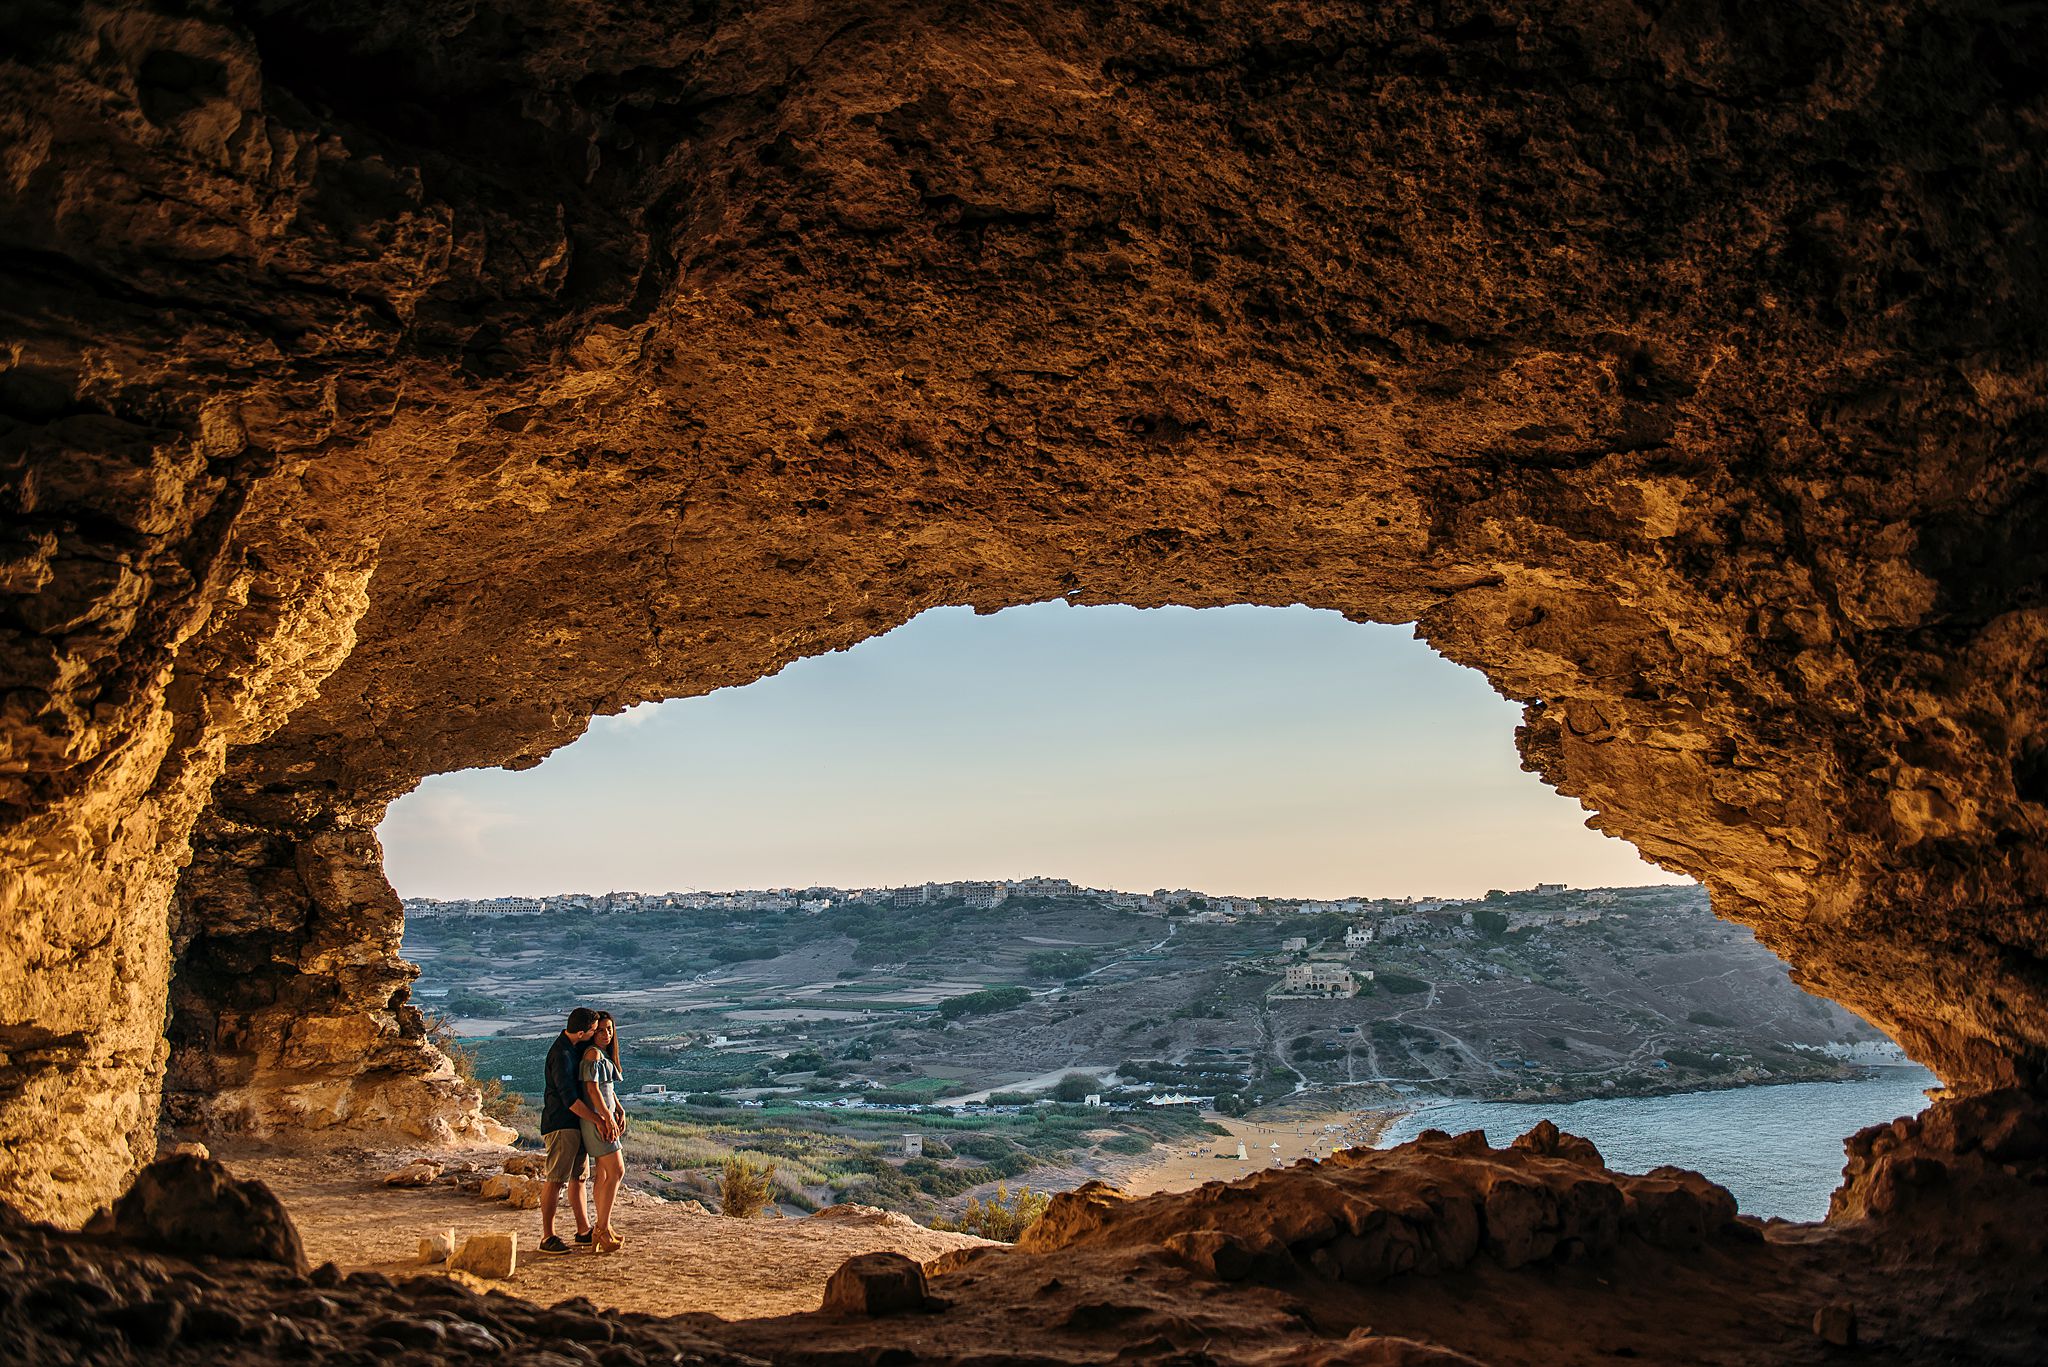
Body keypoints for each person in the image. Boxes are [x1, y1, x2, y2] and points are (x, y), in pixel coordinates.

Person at [535, 1007, 607, 1254]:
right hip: (562, 1124)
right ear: (581, 1032)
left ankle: (583, 1230)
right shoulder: (562, 1054)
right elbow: (570, 1099)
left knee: (579, 1178)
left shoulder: (573, 1048)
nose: (596, 1034)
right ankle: (547, 1236)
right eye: (593, 1031)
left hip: (575, 1125)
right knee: (556, 1180)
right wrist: (597, 1119)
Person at [579, 1011, 629, 1253]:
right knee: (617, 1171)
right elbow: (593, 1090)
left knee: (603, 1175)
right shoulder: (593, 1054)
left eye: (609, 1029)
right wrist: (607, 1117)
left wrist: (618, 1108)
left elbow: (607, 1088)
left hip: (603, 1118)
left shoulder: (601, 1056)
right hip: (598, 1121)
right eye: (600, 1030)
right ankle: (601, 1227)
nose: (606, 1034)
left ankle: (603, 1228)